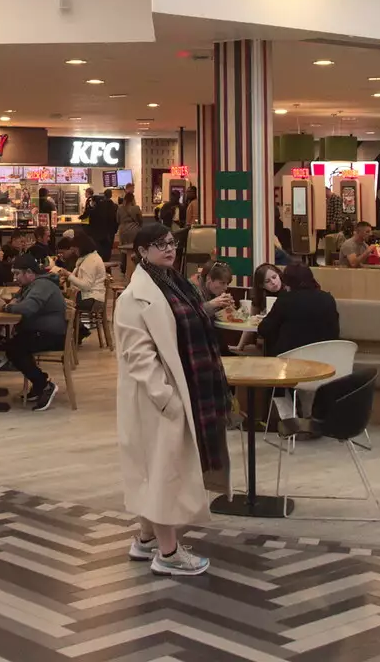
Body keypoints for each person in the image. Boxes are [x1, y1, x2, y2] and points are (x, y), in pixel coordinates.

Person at [114, 221, 229, 577]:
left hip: (187, 386)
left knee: (158, 468)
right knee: (163, 472)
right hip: (157, 397)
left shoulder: (176, 285)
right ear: (141, 252)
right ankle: (168, 553)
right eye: (159, 244)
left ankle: (146, 538)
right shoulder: (133, 297)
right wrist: (166, 398)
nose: (168, 249)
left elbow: (181, 325)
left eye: (171, 243)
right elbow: (138, 355)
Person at [2, 253, 68, 410]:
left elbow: (28, 308)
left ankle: (44, 385)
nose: (15, 277)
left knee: (14, 349)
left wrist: (6, 307)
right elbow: (18, 300)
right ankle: (40, 385)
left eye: (18, 273)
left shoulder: (42, 286)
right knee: (13, 345)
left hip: (53, 334)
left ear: (30, 273)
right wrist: (13, 302)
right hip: (43, 331)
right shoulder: (32, 285)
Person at [256, 262, 339, 355]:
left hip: (293, 359)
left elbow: (264, 329)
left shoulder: (286, 300)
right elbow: (335, 331)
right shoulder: (328, 298)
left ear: (289, 282)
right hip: (326, 357)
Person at [52, 235, 107, 342]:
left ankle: (71, 335)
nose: (74, 251)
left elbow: (86, 285)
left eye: (75, 249)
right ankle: (79, 332)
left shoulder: (91, 261)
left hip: (92, 298)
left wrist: (68, 275)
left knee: (58, 303)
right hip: (88, 295)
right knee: (58, 299)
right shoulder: (87, 258)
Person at [88, 187, 120, 264]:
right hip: (110, 231)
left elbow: (90, 220)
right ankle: (107, 266)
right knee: (108, 250)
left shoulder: (96, 208)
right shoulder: (115, 206)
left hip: (99, 233)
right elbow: (116, 220)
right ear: (111, 195)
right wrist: (115, 229)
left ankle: (101, 265)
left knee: (100, 250)